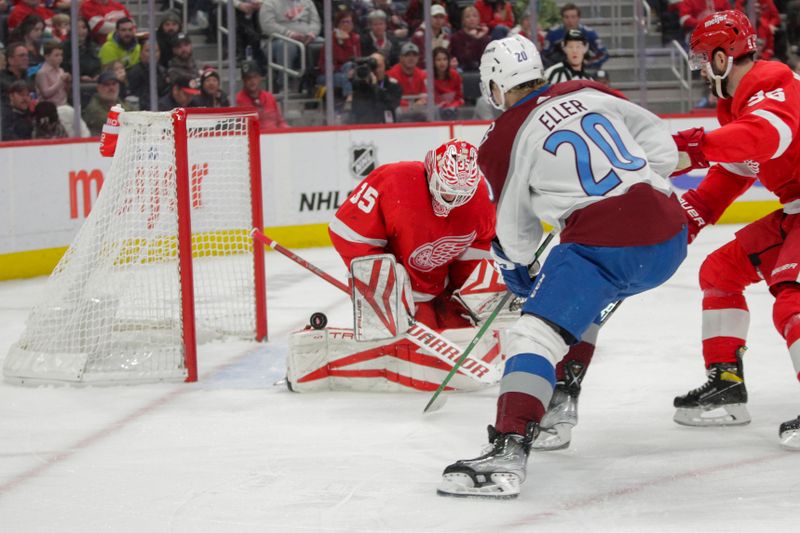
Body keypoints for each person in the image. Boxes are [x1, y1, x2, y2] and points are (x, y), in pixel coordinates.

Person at [438, 35, 687, 498]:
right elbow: (660, 142)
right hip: (669, 235)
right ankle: (559, 402)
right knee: (581, 299)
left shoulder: (503, 136)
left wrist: (517, 264)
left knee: (533, 333)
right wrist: (641, 181)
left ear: (496, 85)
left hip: (606, 240)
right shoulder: (589, 91)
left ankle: (509, 449)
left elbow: (514, 224)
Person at [668, 10, 800, 449]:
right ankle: (725, 386)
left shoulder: (773, 83)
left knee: (791, 300)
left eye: (705, 61)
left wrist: (695, 148)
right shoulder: (741, 104)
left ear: (723, 58)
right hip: (795, 210)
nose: (703, 72)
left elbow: (764, 137)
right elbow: (737, 170)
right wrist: (690, 216)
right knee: (720, 272)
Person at [329, 138, 495, 330]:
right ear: (431, 169)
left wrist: (465, 295)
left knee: (466, 336)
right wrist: (384, 287)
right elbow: (347, 231)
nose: (453, 200)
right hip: (401, 291)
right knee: (419, 345)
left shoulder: (482, 198)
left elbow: (479, 250)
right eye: (446, 190)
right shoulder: (394, 181)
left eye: (462, 194)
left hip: (442, 290)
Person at [258, 0, 321, 91]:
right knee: (286, 46)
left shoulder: (308, 2)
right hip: (277, 39)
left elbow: (315, 22)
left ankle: (316, 83)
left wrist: (312, 34)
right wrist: (289, 34)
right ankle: (284, 85)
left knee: (322, 44)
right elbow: (267, 25)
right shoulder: (269, 3)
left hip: (307, 37)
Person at [543, 3, 608, 69]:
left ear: (578, 18)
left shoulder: (588, 33)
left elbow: (603, 54)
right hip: (560, 70)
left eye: (573, 17)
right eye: (566, 17)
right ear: (562, 18)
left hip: (584, 70)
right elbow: (544, 55)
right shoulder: (553, 34)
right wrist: (554, 67)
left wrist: (588, 64)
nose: (570, 21)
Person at [349, 52, 402, 124]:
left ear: (385, 66)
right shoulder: (361, 85)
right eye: (373, 67)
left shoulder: (393, 84)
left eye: (379, 66)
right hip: (366, 128)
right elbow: (357, 109)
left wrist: (375, 86)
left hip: (387, 128)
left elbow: (391, 104)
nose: (376, 70)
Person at [235, 60, 288, 130]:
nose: (252, 81)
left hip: (274, 137)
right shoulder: (236, 101)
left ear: (260, 78)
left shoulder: (269, 97)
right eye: (248, 78)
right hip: (250, 138)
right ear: (243, 80)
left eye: (255, 77)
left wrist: (289, 131)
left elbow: (280, 122)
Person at [82, 69, 132, 135]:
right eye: (107, 84)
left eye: (114, 84)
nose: (111, 87)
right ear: (98, 87)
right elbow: (109, 122)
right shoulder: (93, 107)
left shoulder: (126, 104)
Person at [386, 42, 427, 120]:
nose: (411, 58)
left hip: (417, 111)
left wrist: (421, 102)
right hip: (399, 112)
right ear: (401, 58)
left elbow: (425, 95)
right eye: (407, 55)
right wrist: (412, 106)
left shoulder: (422, 74)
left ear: (418, 58)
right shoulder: (391, 74)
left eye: (414, 55)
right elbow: (393, 98)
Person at [127, 40, 168, 111]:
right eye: (148, 51)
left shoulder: (163, 71)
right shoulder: (134, 72)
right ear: (140, 53)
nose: (152, 54)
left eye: (156, 51)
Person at [449, 5, 491, 72]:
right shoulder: (456, 37)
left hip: (481, 68)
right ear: (463, 21)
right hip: (462, 67)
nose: (471, 19)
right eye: (467, 17)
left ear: (479, 19)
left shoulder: (485, 38)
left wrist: (479, 38)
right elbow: (463, 59)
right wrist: (474, 39)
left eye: (474, 16)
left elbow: (485, 58)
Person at [35, 41, 70, 107]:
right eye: (56, 55)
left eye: (61, 55)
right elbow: (46, 94)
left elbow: (66, 92)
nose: (60, 58)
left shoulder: (61, 70)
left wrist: (67, 82)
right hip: (49, 108)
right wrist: (61, 81)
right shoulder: (42, 73)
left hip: (63, 104)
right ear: (47, 56)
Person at [432, 47, 462, 120]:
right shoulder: (429, 77)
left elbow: (459, 98)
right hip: (435, 112)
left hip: (452, 111)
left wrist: (451, 105)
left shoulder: (455, 75)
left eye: (445, 59)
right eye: (438, 60)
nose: (442, 62)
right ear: (433, 62)